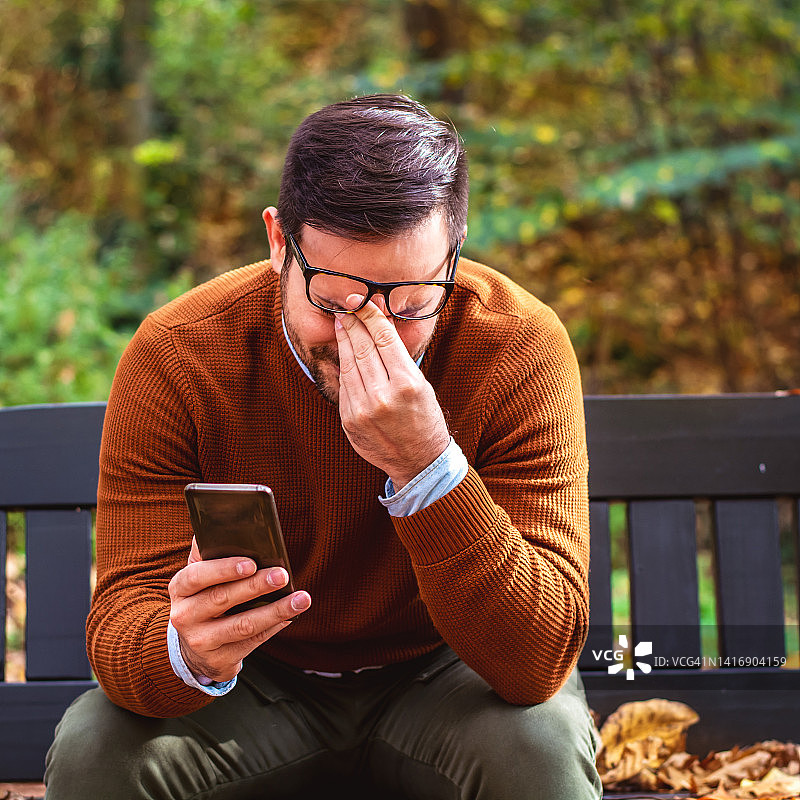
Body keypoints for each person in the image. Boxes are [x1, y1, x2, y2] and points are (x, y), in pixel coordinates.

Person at [45, 94, 601, 799]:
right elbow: (122, 627)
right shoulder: (180, 354)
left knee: (539, 748)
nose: (370, 335)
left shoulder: (519, 347)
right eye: (333, 302)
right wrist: (187, 651)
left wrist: (427, 466)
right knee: (97, 748)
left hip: (447, 676)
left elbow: (538, 660)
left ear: (454, 254)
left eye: (411, 304)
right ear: (279, 243)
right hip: (255, 684)